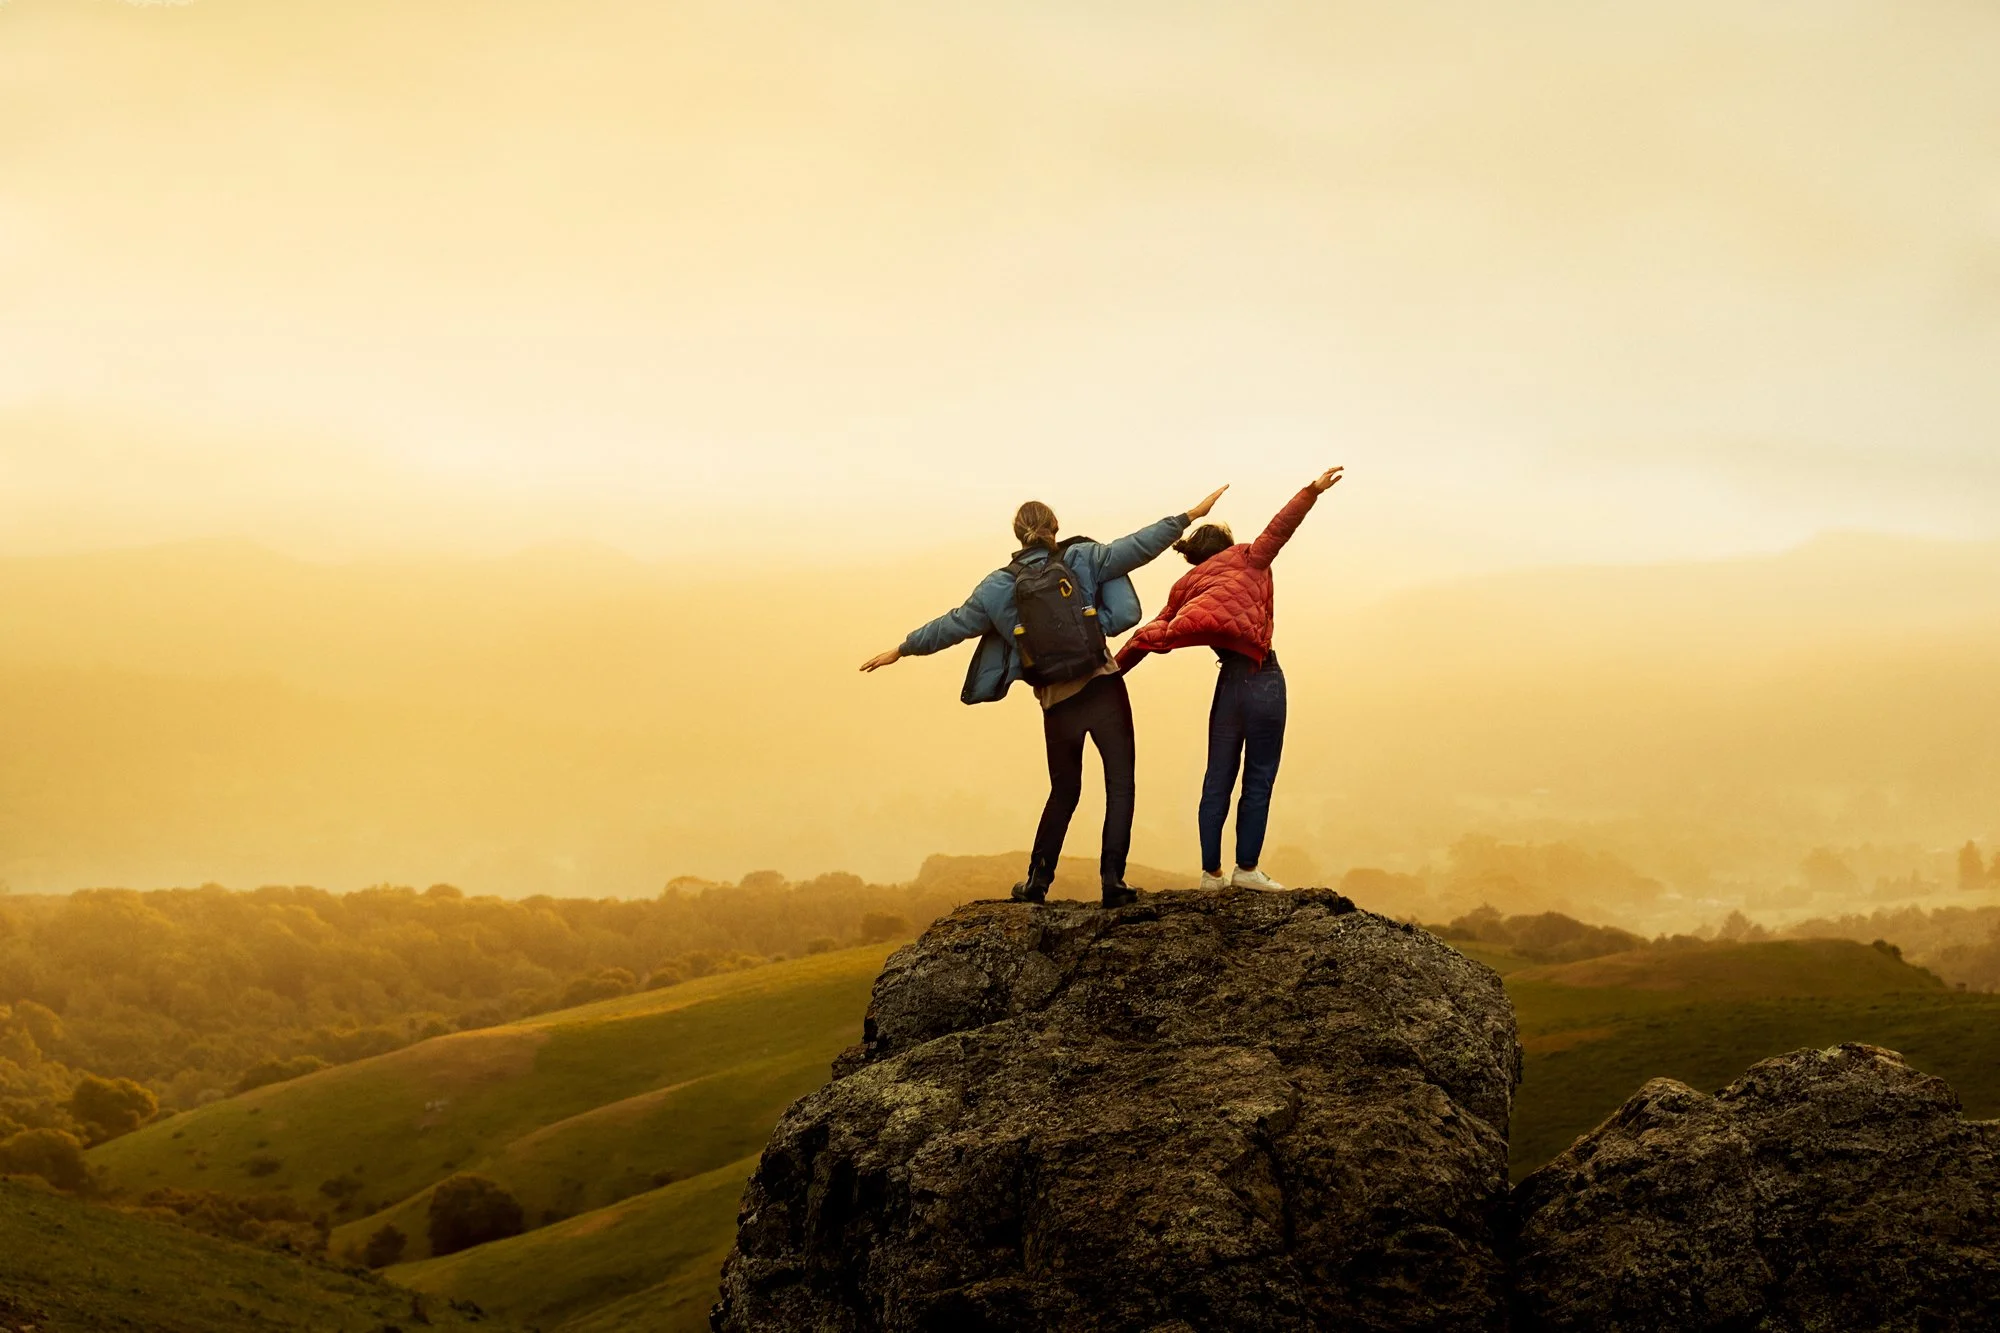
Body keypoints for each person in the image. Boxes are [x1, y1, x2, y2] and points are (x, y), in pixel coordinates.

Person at [860, 485, 1229, 907]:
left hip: (1056, 702)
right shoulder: (1081, 558)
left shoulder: (997, 587)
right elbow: (1137, 547)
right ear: (1055, 529)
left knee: (1064, 791)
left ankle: (1037, 882)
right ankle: (1113, 882)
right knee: (1120, 784)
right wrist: (1188, 516)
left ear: (1018, 536)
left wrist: (903, 648)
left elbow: (952, 625)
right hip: (1103, 686)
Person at [1116, 467, 1343, 891]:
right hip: (1263, 680)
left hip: (1228, 687)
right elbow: (1281, 527)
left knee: (1217, 775)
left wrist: (1110, 672)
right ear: (1225, 546)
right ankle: (1247, 870)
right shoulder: (1250, 556)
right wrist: (1311, 490)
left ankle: (1211, 874)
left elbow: (1149, 634)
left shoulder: (1185, 586)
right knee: (1259, 775)